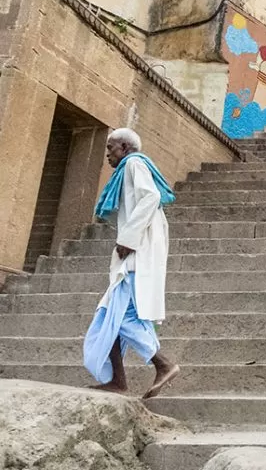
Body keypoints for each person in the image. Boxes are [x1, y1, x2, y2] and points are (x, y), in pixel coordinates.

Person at [84, 128, 179, 398]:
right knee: (106, 317)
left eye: (111, 149)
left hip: (136, 255)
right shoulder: (128, 168)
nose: (108, 156)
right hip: (133, 252)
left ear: (124, 147)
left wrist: (129, 238)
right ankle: (118, 380)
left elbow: (151, 197)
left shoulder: (135, 163)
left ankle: (165, 364)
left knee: (122, 316)